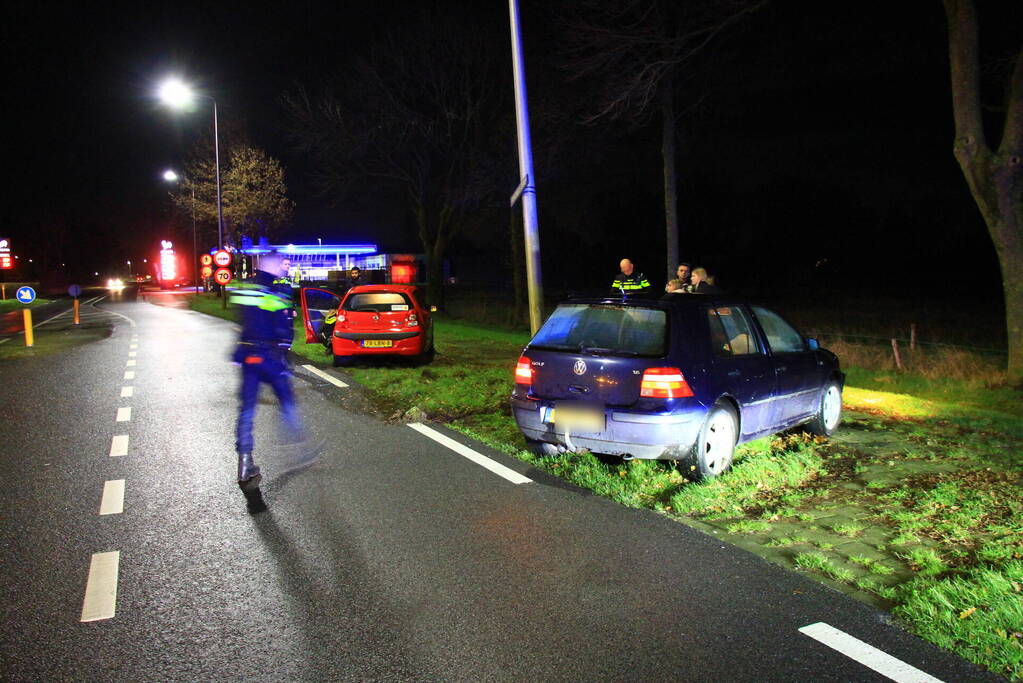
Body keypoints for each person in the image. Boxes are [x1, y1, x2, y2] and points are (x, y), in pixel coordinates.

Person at [229, 251, 305, 511]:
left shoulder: (244, 288)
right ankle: (298, 448)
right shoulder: (277, 291)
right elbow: (283, 328)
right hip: (270, 356)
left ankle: (244, 461)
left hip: (248, 355)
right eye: (282, 265)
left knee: (247, 410)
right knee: (287, 399)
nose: (285, 269)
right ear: (272, 266)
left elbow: (242, 322)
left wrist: (239, 353)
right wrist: (284, 354)